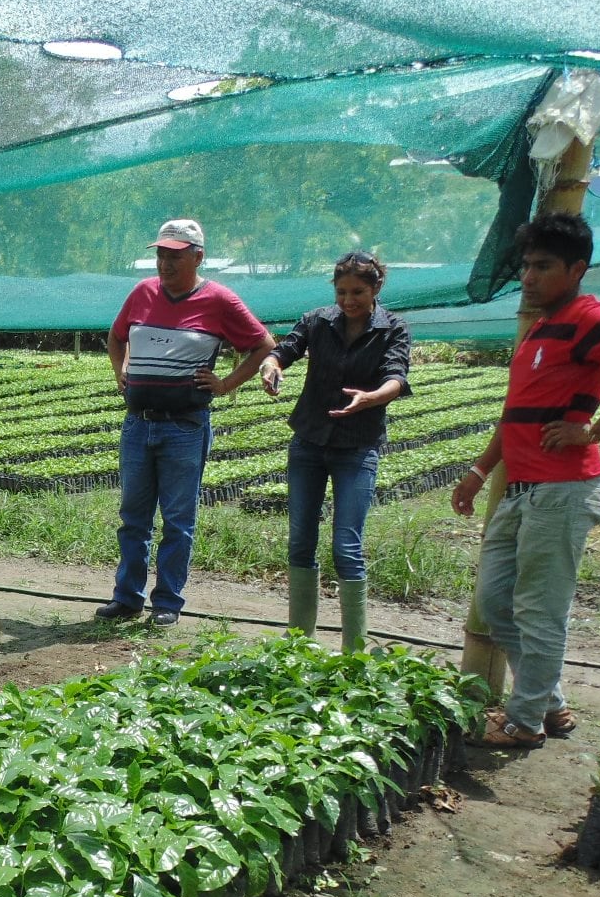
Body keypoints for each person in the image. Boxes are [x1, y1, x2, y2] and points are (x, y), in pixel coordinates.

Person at [451, 212, 600, 749]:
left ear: (576, 269)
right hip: (523, 487)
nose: (529, 277)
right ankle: (549, 703)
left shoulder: (590, 315)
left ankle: (524, 722)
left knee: (539, 610)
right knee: (498, 602)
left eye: (543, 266)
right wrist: (480, 472)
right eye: (526, 265)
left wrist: (592, 431)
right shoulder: (542, 327)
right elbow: (517, 413)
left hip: (562, 489)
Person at [96, 218, 275, 626]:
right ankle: (127, 598)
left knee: (178, 520)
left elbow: (263, 344)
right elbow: (117, 335)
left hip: (185, 427)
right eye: (161, 254)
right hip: (138, 424)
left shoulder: (219, 300)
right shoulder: (142, 292)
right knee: (133, 517)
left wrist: (227, 382)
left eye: (175, 255)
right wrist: (118, 370)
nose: (165, 263)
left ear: (198, 256)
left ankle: (167, 602)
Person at [257, 251, 412, 652]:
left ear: (377, 288)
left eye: (357, 292)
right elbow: (285, 350)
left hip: (357, 447)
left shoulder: (392, 329)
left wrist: (372, 397)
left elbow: (396, 377)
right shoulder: (317, 321)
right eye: (341, 291)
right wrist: (271, 365)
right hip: (309, 441)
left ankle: (354, 653)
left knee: (347, 544)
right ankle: (299, 645)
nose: (348, 300)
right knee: (300, 540)